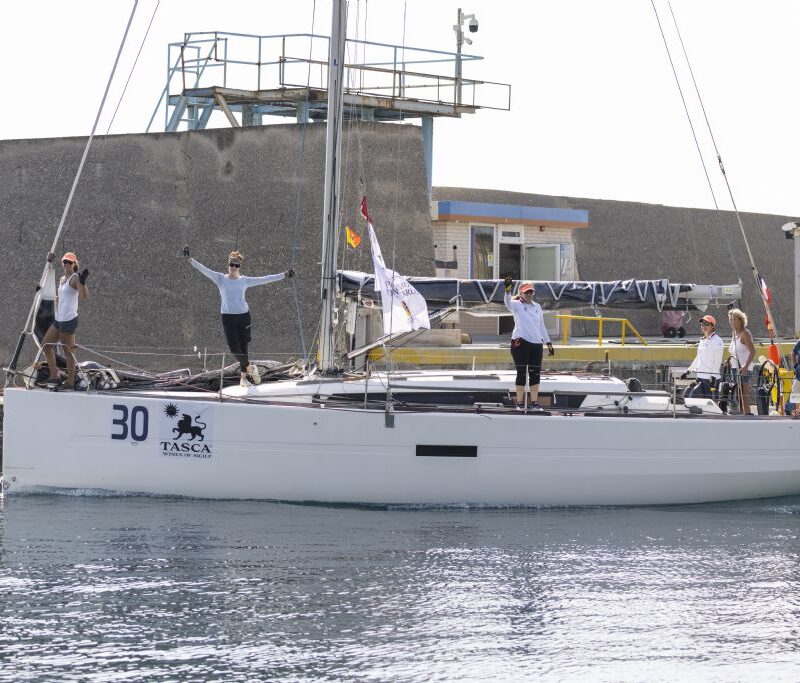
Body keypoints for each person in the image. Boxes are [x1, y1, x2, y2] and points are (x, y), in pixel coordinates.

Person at [186, 246, 294, 387]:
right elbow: (204, 269)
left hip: (244, 317)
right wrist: (190, 259)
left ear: (239, 267)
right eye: (232, 264)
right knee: (233, 348)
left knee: (244, 349)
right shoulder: (220, 279)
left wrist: (284, 275)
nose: (234, 267)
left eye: (237, 265)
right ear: (228, 265)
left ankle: (243, 379)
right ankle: (251, 369)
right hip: (228, 318)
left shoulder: (244, 280)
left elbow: (264, 279)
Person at [503, 276, 555, 410]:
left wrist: (548, 343)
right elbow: (507, 303)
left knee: (535, 374)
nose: (529, 294)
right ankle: (520, 403)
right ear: (521, 293)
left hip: (536, 344)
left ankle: (534, 403)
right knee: (521, 373)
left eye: (531, 292)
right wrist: (507, 290)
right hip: (521, 343)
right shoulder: (516, 305)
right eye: (526, 292)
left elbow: (541, 326)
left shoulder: (537, 306)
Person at [41, 251, 89, 389]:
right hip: (59, 319)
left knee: (68, 352)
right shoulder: (62, 279)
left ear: (74, 264)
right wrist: (41, 292)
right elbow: (61, 298)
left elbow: (84, 296)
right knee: (46, 345)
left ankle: (70, 382)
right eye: (64, 261)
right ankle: (54, 376)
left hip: (69, 320)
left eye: (69, 262)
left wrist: (83, 283)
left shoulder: (75, 278)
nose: (66, 264)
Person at [683, 314, 724, 400]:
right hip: (700, 376)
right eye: (702, 324)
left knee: (711, 402)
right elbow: (698, 357)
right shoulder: (702, 340)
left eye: (706, 324)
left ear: (712, 326)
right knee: (695, 399)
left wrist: (713, 377)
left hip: (710, 378)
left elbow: (718, 361)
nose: (703, 326)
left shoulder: (718, 340)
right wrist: (688, 371)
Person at [727, 308, 756, 415]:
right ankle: (743, 414)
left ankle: (748, 415)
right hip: (735, 367)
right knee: (738, 394)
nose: (732, 322)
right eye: (730, 319)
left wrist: (745, 365)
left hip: (744, 368)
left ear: (741, 320)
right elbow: (734, 351)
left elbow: (753, 351)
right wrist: (728, 359)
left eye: (734, 319)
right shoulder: (734, 333)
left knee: (744, 394)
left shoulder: (745, 333)